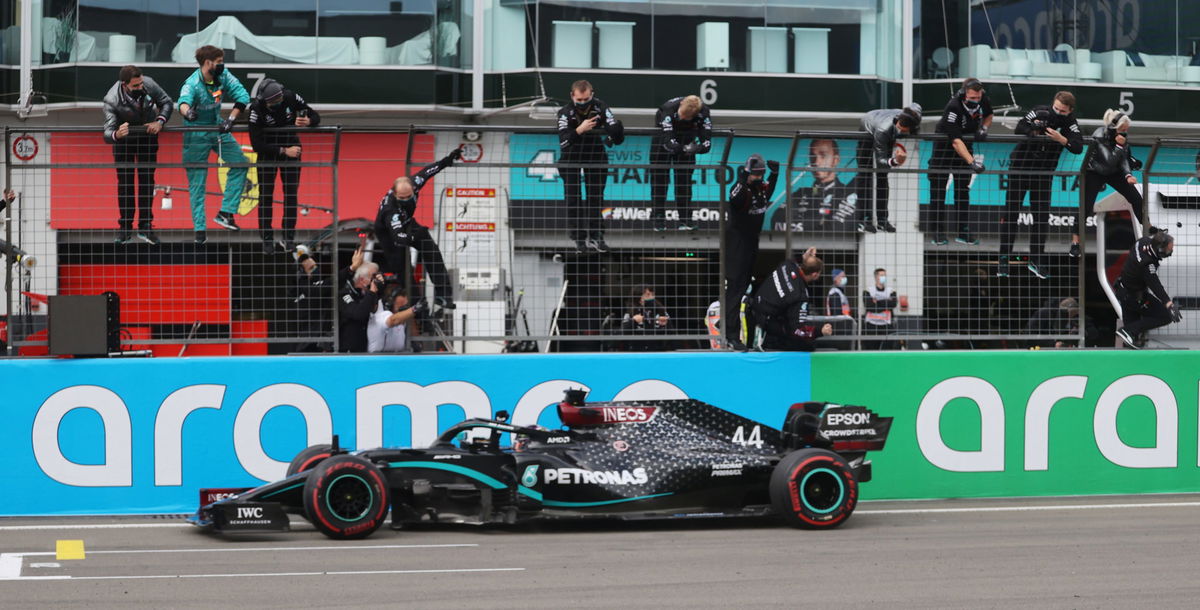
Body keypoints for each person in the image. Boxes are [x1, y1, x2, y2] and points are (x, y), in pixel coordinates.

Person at [998, 91, 1083, 279]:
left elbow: (1078, 146)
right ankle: (1003, 260)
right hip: (1020, 168)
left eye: (1062, 111)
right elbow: (1019, 127)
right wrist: (1034, 131)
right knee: (1011, 214)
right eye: (1056, 108)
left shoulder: (1070, 122)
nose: (1057, 113)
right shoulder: (1039, 111)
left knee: (1041, 218)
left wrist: (1060, 139)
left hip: (1044, 174)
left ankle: (1036, 260)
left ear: (1069, 111)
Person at [177, 45, 251, 244]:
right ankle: (200, 230)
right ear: (208, 62)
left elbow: (243, 96)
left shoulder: (224, 75)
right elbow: (182, 103)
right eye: (218, 61)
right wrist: (188, 113)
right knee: (198, 183)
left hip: (218, 127)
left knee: (241, 163)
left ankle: (226, 212)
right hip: (195, 133)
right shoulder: (192, 83)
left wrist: (231, 119)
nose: (222, 65)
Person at [374, 148, 463, 309]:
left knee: (432, 250)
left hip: (408, 222)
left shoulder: (415, 182)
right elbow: (398, 237)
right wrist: (415, 239)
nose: (407, 200)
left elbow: (429, 171)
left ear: (413, 188)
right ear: (394, 193)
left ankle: (443, 296)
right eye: (402, 198)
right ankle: (419, 309)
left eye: (409, 196)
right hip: (390, 234)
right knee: (404, 272)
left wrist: (447, 160)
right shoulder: (390, 210)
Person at [102, 65, 173, 246]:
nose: (140, 87)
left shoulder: (148, 83)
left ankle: (146, 225)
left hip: (147, 137)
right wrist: (117, 134)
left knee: (146, 181)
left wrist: (159, 122)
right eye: (135, 86)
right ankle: (125, 228)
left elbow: (167, 102)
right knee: (125, 184)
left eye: (141, 83)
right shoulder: (112, 99)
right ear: (124, 85)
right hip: (124, 141)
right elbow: (107, 133)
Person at [248, 78, 320, 254]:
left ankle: (288, 238)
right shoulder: (256, 109)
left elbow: (315, 115)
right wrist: (283, 151)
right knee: (265, 196)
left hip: (292, 150)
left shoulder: (290, 97)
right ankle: (267, 239)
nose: (277, 104)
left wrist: (308, 121)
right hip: (268, 153)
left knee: (291, 195)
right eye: (273, 103)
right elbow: (256, 144)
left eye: (279, 101)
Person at [557, 80, 624, 253]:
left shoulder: (600, 106)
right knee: (573, 199)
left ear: (592, 94)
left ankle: (597, 236)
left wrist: (614, 131)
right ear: (572, 96)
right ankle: (579, 239)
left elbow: (613, 127)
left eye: (586, 99)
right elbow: (564, 141)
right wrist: (580, 129)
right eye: (579, 100)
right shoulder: (565, 112)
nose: (583, 103)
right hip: (570, 157)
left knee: (596, 198)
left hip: (595, 156)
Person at [1072, 108, 1144, 258]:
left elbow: (1122, 159)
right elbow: (1108, 162)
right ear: (1113, 128)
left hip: (1115, 171)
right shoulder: (1099, 136)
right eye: (1122, 130)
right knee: (1085, 206)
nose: (1125, 132)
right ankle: (1075, 243)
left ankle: (1148, 229)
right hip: (1095, 171)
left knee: (1136, 198)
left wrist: (1128, 175)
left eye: (1126, 130)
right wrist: (1119, 146)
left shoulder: (1122, 137)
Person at [724, 154, 779, 347]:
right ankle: (730, 335)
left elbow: (769, 191)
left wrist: (774, 174)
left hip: (752, 243)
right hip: (737, 245)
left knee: (745, 288)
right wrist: (743, 176)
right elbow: (734, 198)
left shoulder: (761, 190)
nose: (759, 177)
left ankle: (738, 334)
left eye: (761, 174)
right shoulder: (741, 190)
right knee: (735, 289)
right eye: (755, 174)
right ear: (748, 174)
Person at [928, 78, 990, 246]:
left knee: (963, 191)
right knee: (938, 191)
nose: (975, 101)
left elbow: (990, 115)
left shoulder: (982, 99)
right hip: (944, 148)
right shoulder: (953, 107)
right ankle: (938, 232)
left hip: (966, 145)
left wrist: (983, 128)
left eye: (978, 98)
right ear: (964, 94)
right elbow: (955, 141)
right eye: (972, 98)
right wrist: (972, 162)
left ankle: (963, 231)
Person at [852, 104, 922, 233]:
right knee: (865, 173)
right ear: (898, 121)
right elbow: (880, 161)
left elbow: (916, 107)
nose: (901, 130)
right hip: (868, 126)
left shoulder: (914, 124)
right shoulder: (884, 130)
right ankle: (864, 220)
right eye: (900, 127)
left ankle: (883, 220)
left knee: (883, 177)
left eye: (905, 130)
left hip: (886, 132)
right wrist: (895, 161)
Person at [749, 248, 833, 351]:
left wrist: (805, 257)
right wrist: (820, 331)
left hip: (755, 306)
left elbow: (797, 261)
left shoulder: (787, 265)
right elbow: (798, 330)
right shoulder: (800, 296)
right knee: (807, 345)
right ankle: (768, 342)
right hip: (766, 322)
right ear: (815, 275)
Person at [650, 95, 713, 231]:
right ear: (681, 104)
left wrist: (696, 149)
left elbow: (707, 144)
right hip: (662, 142)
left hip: (687, 139)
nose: (681, 118)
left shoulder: (704, 113)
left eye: (685, 117)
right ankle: (658, 219)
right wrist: (683, 149)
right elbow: (668, 142)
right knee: (659, 181)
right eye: (681, 115)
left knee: (684, 182)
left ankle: (685, 220)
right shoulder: (667, 109)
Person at [771, 138, 856, 233]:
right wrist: (819, 222)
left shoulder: (847, 194)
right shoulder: (800, 193)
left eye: (823, 156)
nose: (816, 162)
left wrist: (802, 222)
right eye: (812, 156)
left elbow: (835, 229)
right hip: (799, 247)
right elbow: (777, 222)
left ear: (835, 160)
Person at [1114, 231, 1180, 349]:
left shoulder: (1142, 241)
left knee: (1130, 341)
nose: (1170, 252)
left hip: (1124, 291)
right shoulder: (1147, 264)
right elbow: (1156, 286)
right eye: (1169, 250)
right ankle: (1127, 330)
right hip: (1133, 297)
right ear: (1160, 249)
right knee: (1165, 316)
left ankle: (1129, 334)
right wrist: (1169, 304)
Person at [368, 284, 428, 353]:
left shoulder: (401, 318)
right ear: (389, 305)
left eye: (405, 307)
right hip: (377, 359)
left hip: (396, 357)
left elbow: (417, 340)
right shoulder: (380, 316)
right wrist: (414, 309)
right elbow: (393, 320)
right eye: (401, 308)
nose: (404, 311)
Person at [339, 260, 382, 353]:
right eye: (373, 277)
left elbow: (374, 309)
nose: (375, 280)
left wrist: (378, 290)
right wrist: (372, 292)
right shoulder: (345, 292)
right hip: (347, 351)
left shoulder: (364, 293)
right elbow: (358, 313)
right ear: (362, 280)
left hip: (364, 348)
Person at [620, 285, 670, 350]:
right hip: (636, 352)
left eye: (652, 294)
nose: (651, 297)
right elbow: (622, 332)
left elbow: (672, 333)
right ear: (639, 296)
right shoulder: (631, 312)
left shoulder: (660, 310)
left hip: (658, 351)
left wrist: (665, 324)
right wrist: (633, 321)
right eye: (648, 294)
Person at [862, 267, 897, 349]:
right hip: (872, 325)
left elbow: (893, 304)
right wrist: (886, 303)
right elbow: (869, 306)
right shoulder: (868, 290)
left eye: (884, 275)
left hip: (886, 325)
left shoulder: (890, 291)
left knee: (887, 349)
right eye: (881, 275)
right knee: (871, 349)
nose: (883, 277)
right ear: (876, 277)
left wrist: (877, 301)